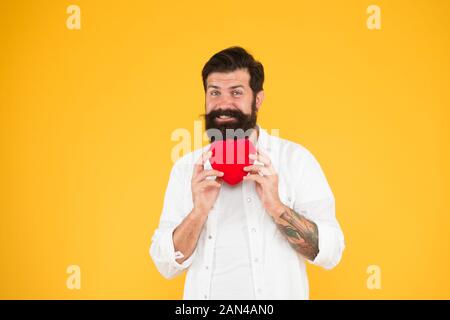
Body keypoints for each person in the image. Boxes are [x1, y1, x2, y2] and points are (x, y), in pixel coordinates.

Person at [150, 46, 345, 300]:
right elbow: (166, 265)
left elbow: (331, 253)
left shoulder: (296, 161)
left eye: (236, 92)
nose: (223, 104)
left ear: (258, 99)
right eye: (215, 92)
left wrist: (277, 207)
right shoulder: (187, 169)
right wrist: (198, 212)